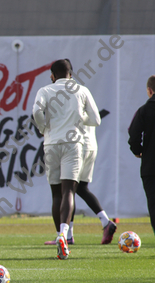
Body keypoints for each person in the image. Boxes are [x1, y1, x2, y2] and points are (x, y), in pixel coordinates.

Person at [32, 59, 101, 259]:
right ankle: (64, 233)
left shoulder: (45, 90)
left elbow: (36, 111)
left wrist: (43, 127)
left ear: (52, 75)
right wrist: (79, 119)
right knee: (69, 191)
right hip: (74, 143)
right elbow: (95, 119)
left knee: (56, 194)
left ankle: (58, 236)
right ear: (71, 73)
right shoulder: (82, 90)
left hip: (52, 143)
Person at [44, 59, 117, 246]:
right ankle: (102, 221)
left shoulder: (68, 96)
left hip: (79, 146)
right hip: (89, 145)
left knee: (67, 190)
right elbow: (94, 118)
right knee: (78, 189)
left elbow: (93, 119)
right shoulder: (81, 94)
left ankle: (67, 235)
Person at [128, 75, 155, 238]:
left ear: (149, 91)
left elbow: (133, 134)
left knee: (154, 204)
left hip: (151, 166)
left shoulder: (144, 111)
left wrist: (138, 151)